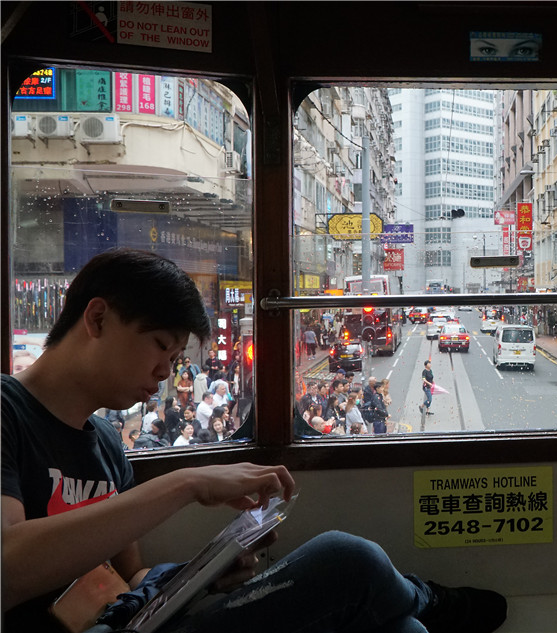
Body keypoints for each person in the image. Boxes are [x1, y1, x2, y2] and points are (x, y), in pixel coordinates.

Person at [1, 248, 507, 633]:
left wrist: (205, 574)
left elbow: (131, 580)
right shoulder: (7, 411)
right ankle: (430, 598)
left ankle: (420, 606)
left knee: (401, 628)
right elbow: (7, 567)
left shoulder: (106, 444)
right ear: (97, 319)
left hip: (137, 618)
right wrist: (187, 483)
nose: (165, 372)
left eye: (176, 357)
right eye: (159, 347)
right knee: (347, 558)